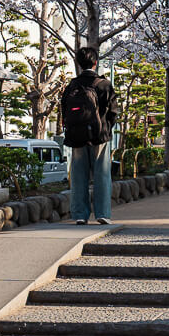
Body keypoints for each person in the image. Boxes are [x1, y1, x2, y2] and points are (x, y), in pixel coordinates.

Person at [61, 45, 118, 224]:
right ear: (95, 62)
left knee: (78, 176)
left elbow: (64, 110)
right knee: (101, 174)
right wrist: (106, 129)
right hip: (99, 136)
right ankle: (102, 213)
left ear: (78, 63)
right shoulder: (104, 84)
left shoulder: (72, 85)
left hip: (77, 137)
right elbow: (113, 112)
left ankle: (79, 215)